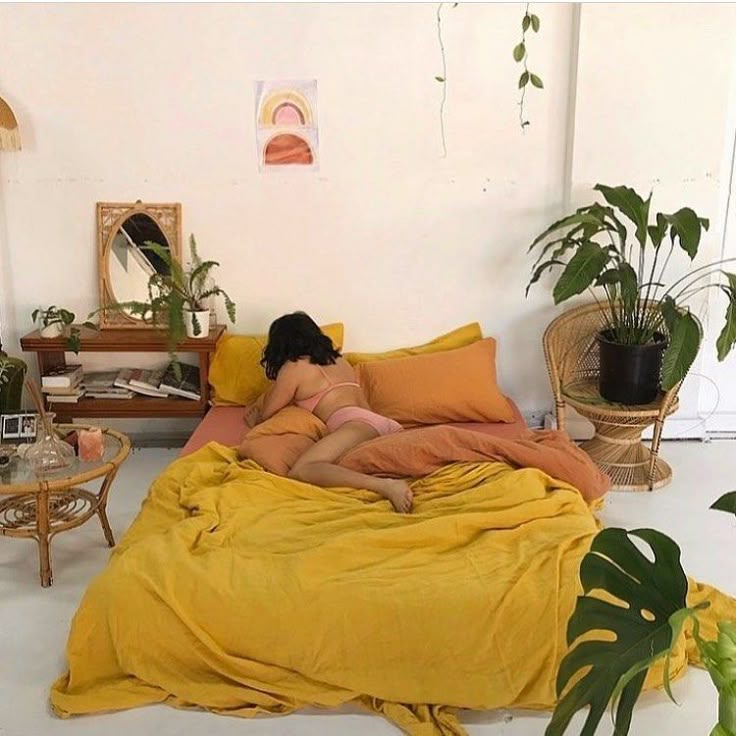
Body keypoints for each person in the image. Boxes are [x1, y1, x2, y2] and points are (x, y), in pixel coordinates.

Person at [244, 312, 413, 513]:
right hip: (383, 425)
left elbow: (268, 413)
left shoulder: (294, 367)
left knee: (302, 469)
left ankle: (387, 487)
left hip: (357, 426)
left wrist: (256, 417)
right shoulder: (337, 360)